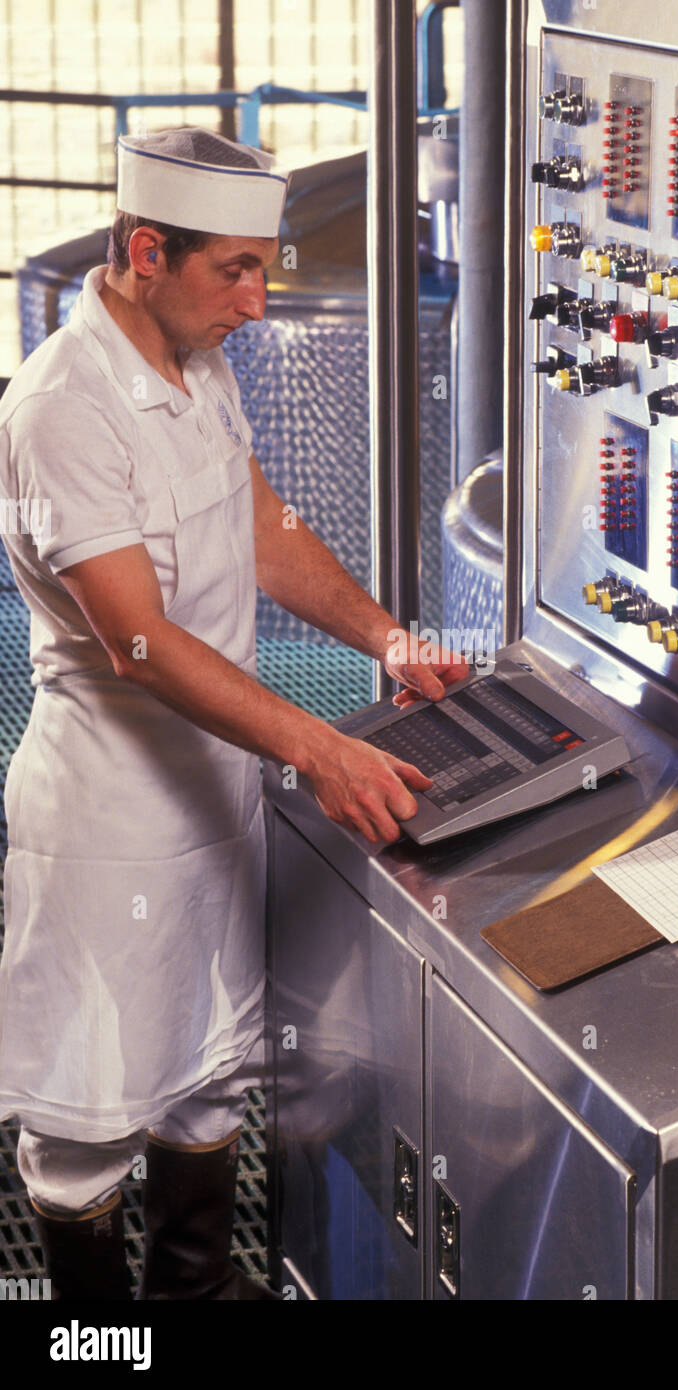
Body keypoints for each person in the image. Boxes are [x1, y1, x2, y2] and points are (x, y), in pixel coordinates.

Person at [0, 127, 469, 1299]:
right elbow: (138, 640)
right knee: (90, 1113)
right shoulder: (63, 403)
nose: (258, 303)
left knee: (208, 1070)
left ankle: (195, 1296)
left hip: (219, 796)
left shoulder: (196, 363)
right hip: (111, 821)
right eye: (236, 272)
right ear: (145, 251)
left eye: (268, 269)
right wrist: (317, 744)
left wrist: (389, 640)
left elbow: (262, 527)